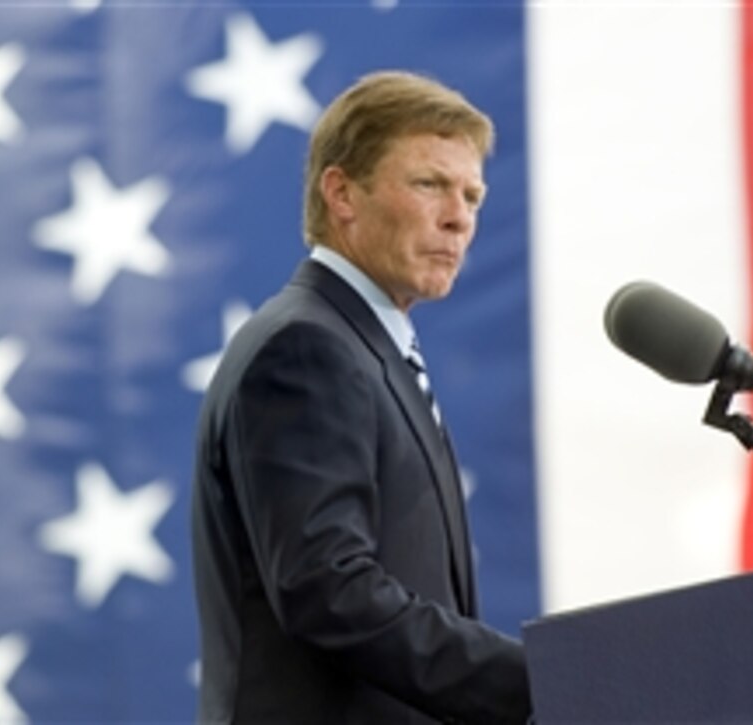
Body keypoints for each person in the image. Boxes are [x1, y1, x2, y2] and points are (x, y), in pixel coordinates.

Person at [191, 70, 532, 724]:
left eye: (472, 194)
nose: (459, 216)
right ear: (342, 193)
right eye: (430, 184)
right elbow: (330, 591)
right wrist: (539, 683)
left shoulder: (366, 350)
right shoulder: (306, 350)